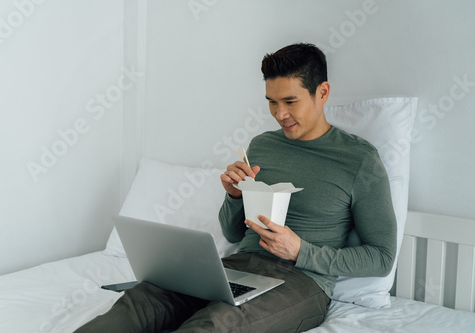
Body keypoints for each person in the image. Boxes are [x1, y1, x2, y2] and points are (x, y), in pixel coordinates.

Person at [74, 43, 397, 333]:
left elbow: (381, 257)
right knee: (144, 299)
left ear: (322, 92)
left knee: (216, 323)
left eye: (290, 101)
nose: (279, 114)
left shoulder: (359, 159)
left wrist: (301, 251)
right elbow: (232, 234)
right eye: (271, 102)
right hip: (238, 268)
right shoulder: (262, 146)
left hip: (303, 282)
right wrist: (234, 196)